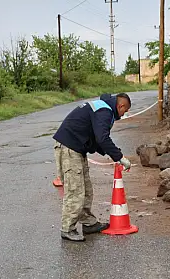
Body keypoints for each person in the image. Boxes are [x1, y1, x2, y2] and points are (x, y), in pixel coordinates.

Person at [53, 93, 132, 242]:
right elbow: (102, 138)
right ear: (120, 106)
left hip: (77, 148)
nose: (124, 113)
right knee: (75, 191)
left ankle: (88, 223)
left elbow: (97, 139)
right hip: (69, 148)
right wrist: (119, 157)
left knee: (86, 190)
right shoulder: (105, 111)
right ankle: (67, 228)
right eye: (125, 110)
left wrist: (114, 153)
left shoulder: (103, 109)